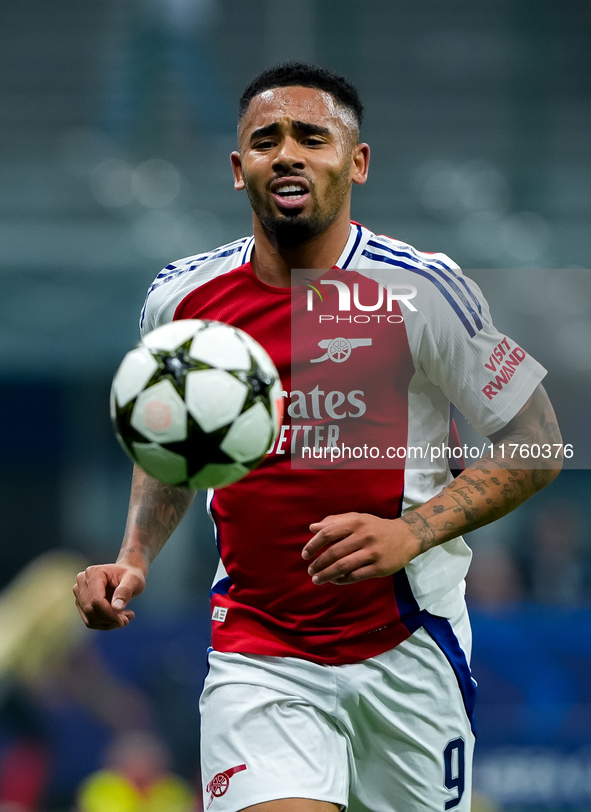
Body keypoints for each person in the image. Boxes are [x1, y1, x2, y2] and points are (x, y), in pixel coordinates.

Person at [74, 62, 563, 812]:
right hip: (259, 649)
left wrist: (412, 532)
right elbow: (176, 455)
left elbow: (537, 440)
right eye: (265, 140)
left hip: (407, 645)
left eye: (312, 136)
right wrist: (134, 556)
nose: (288, 153)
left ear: (356, 161)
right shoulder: (182, 300)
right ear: (239, 170)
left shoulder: (422, 288)